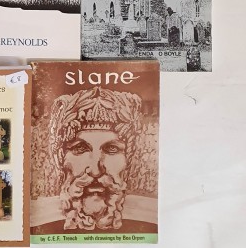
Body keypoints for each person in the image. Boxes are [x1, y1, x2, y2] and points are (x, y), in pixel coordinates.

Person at [33, 86, 155, 234]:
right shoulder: (35, 219)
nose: (96, 171)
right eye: (80, 148)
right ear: (60, 158)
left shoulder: (152, 216)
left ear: (127, 159)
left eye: (112, 149)